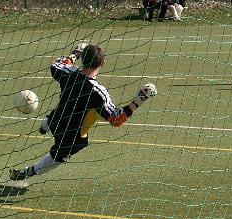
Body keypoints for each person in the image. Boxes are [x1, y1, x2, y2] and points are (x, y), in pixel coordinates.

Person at [9, 44, 157, 180]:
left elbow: (56, 64)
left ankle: (45, 125)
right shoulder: (98, 93)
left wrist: (75, 53)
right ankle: (27, 173)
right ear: (102, 63)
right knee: (58, 157)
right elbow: (117, 119)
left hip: (57, 119)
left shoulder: (67, 72)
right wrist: (140, 98)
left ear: (83, 59)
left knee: (65, 107)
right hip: (72, 134)